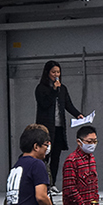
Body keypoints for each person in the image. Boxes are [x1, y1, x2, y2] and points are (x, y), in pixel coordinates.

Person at [34, 60, 84, 190]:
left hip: (58, 127)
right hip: (45, 128)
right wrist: (54, 90)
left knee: (56, 156)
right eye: (53, 72)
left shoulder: (63, 89)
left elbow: (68, 104)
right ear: (47, 73)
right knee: (45, 155)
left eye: (58, 72)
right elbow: (44, 104)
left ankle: (52, 183)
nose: (56, 75)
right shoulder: (41, 88)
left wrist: (78, 114)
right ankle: (42, 183)